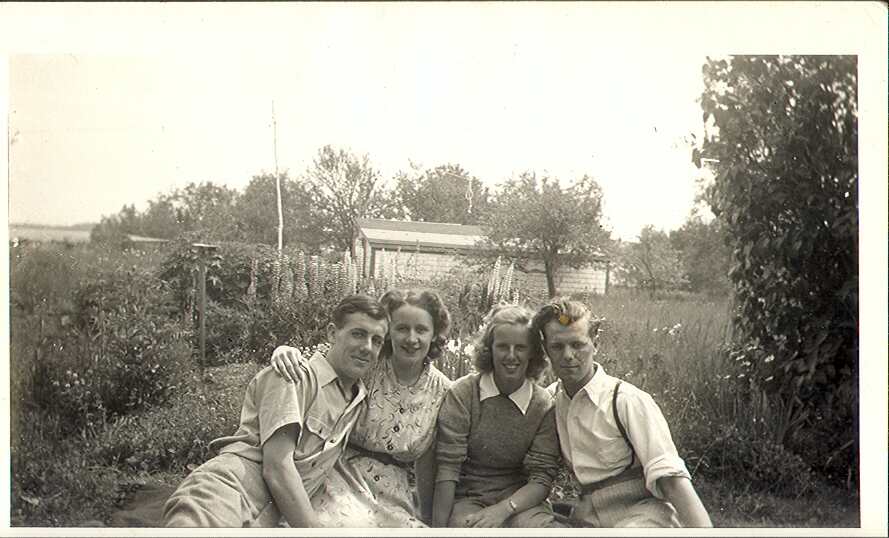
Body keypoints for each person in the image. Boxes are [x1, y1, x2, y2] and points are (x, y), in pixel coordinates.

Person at [163, 294, 388, 527]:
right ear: (332, 333)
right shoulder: (292, 375)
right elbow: (277, 467)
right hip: (227, 494)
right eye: (358, 334)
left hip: (273, 519)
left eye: (377, 340)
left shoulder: (360, 400)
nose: (367, 347)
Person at [270, 288, 453, 527]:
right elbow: (320, 365)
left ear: (434, 334)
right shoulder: (366, 364)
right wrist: (285, 351)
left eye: (421, 329)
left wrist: (429, 518)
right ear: (388, 333)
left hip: (395, 495)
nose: (411, 339)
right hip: (339, 479)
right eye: (401, 328)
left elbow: (429, 464)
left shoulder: (444, 391)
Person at [530, 298, 712, 528]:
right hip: (588, 516)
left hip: (642, 514)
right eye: (557, 346)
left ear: (595, 343)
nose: (568, 355)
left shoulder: (626, 400)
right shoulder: (550, 401)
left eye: (577, 344)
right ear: (546, 349)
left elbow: (671, 479)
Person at [432, 304, 563, 528]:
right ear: (489, 349)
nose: (511, 356)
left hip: (521, 502)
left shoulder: (542, 405)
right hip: (470, 497)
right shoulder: (464, 393)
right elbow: (448, 467)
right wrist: (437, 529)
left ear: (532, 352)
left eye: (520, 347)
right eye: (503, 346)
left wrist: (503, 510)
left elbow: (541, 478)